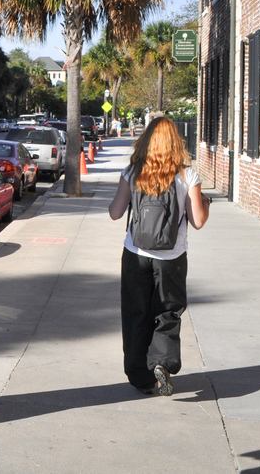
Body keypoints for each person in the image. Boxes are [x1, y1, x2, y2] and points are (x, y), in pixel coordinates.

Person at [108, 116, 210, 396]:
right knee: (167, 311)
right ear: (176, 142)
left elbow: (115, 213)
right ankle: (162, 363)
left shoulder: (132, 172)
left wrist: (122, 199)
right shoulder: (187, 175)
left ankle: (140, 376)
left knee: (135, 312)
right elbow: (198, 221)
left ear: (146, 141)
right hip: (172, 257)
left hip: (135, 253)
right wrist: (206, 205)